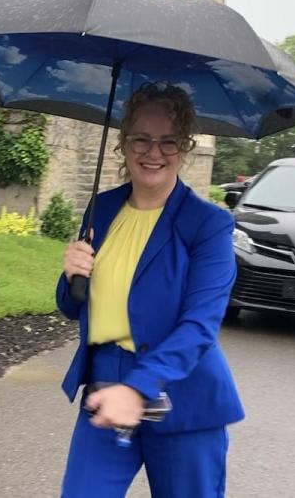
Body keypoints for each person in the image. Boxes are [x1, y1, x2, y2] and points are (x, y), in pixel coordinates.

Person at [55, 83, 244, 498]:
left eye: (168, 141)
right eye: (141, 138)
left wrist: (139, 387)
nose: (153, 152)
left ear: (185, 146)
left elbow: (200, 325)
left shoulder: (208, 224)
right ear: (123, 143)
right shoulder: (100, 209)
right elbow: (73, 306)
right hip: (105, 390)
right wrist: (70, 278)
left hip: (185, 398)